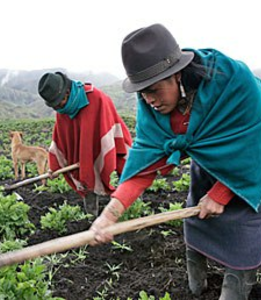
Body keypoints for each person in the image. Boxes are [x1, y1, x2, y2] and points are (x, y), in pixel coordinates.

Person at [90, 23, 261, 299]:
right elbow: (144, 164)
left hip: (251, 172)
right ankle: (197, 288)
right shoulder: (151, 105)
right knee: (197, 224)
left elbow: (254, 145)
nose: (149, 100)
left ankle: (238, 283)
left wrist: (221, 193)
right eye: (143, 92)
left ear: (178, 75)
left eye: (155, 90)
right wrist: (109, 216)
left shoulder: (233, 83)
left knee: (242, 238)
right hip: (207, 166)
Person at [38, 71, 133, 216]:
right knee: (86, 179)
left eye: (59, 103)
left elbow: (107, 129)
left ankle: (132, 210)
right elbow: (60, 139)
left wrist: (95, 154)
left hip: (107, 145)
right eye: (55, 106)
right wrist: (54, 166)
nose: (58, 108)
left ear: (68, 92)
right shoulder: (62, 111)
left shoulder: (96, 98)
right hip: (81, 156)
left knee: (125, 176)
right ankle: (91, 217)